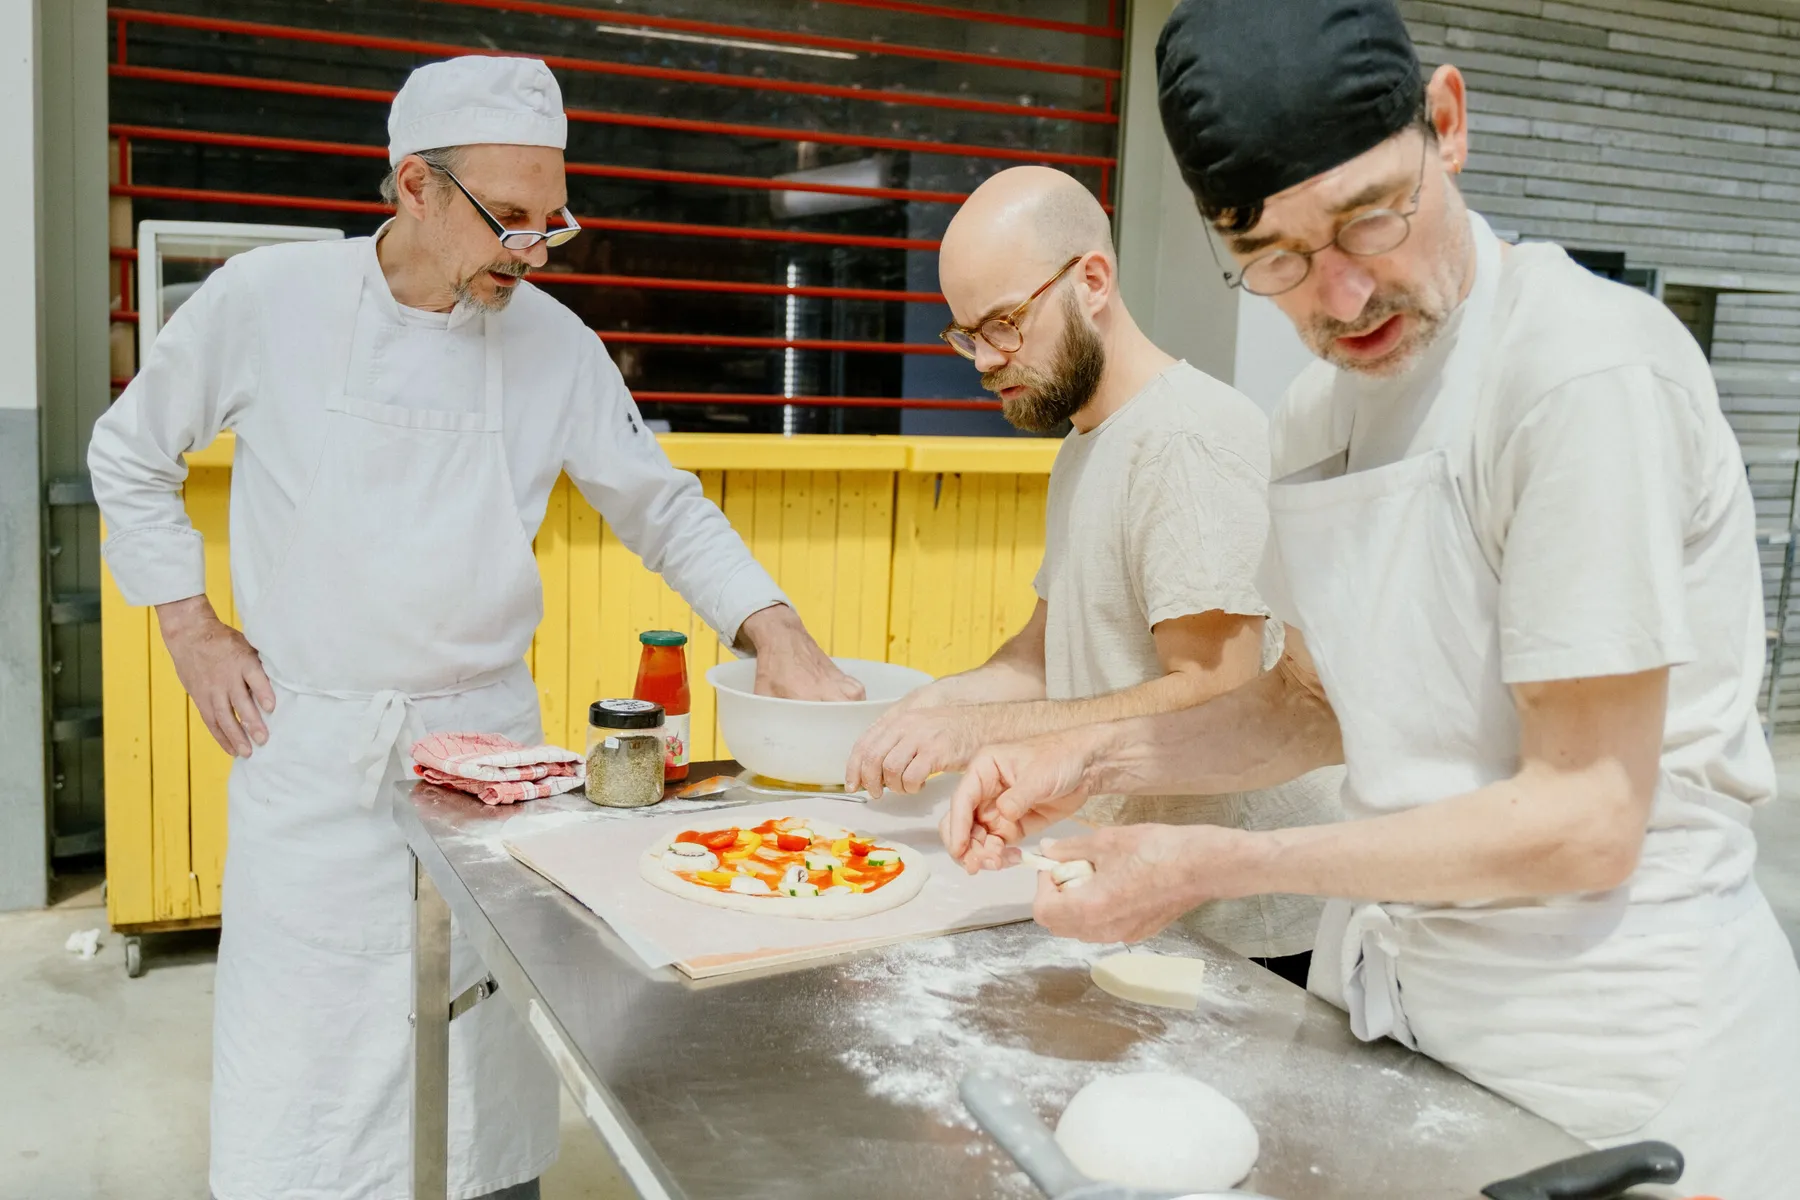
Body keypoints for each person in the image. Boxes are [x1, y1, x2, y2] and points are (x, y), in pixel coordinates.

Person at [939, 2, 1800, 1195]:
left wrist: (1209, 865)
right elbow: (1307, 702)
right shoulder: (1318, 416)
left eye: (1369, 221)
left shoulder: (1581, 375)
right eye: (1277, 262)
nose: (1340, 299)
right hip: (1406, 1030)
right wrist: (1087, 763)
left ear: (1446, 125)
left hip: (1611, 1062)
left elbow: (1583, 818)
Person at [89, 56, 860, 1200]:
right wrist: (192, 627)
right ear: (412, 185)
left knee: (480, 1075)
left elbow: (661, 507)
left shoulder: (555, 344)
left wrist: (777, 630)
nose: (534, 250)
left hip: (492, 763)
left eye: (554, 221)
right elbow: (130, 453)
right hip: (316, 754)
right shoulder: (269, 303)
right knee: (310, 1084)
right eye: (509, 220)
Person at [844, 166, 1338, 980]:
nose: (985, 361)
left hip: (1243, 927)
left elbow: (1220, 686)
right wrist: (929, 707)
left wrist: (976, 733)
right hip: (1141, 895)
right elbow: (1043, 656)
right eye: (967, 334)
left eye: (1004, 324)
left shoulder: (1187, 439)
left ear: (1093, 281)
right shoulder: (1089, 441)